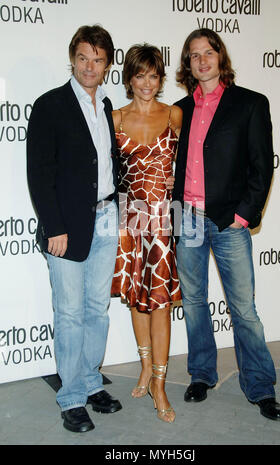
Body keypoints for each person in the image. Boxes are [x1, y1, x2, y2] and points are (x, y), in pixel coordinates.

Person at [172, 28, 280, 421]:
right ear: (187, 64)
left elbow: (262, 165)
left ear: (221, 58)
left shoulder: (251, 104)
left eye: (208, 53)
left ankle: (260, 387)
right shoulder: (178, 110)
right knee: (193, 303)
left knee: (243, 309)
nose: (202, 60)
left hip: (228, 223)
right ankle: (201, 375)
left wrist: (243, 215)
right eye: (193, 55)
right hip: (186, 218)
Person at [27, 24, 122, 433]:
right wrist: (54, 226)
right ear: (72, 58)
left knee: (96, 309)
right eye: (83, 57)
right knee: (68, 313)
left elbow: (108, 165)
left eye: (97, 59)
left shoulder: (106, 105)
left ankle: (87, 381)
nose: (89, 65)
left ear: (106, 65)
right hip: (65, 226)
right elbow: (39, 173)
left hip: (105, 219)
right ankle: (70, 399)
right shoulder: (50, 105)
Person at [111, 44, 182, 423]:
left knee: (160, 303)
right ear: (129, 79)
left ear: (161, 78)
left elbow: (192, 161)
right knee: (138, 298)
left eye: (154, 76)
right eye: (140, 75)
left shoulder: (174, 114)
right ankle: (144, 366)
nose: (147, 83)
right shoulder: (116, 118)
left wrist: (178, 178)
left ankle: (160, 382)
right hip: (131, 218)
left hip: (164, 220)